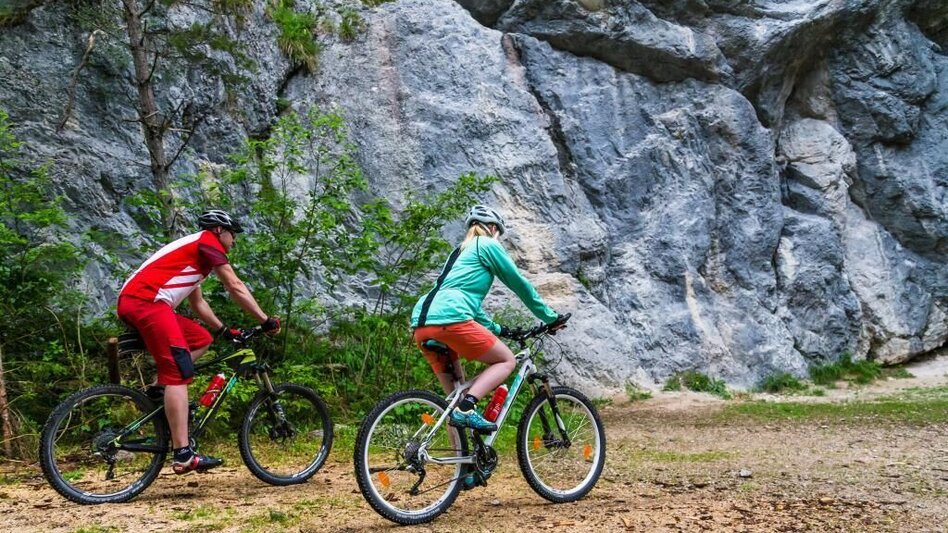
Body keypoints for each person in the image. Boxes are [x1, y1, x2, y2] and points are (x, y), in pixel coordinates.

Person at [117, 209, 281, 474]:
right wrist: (265, 321)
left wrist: (224, 330)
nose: (234, 240)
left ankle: (160, 392)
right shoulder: (207, 242)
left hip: (140, 302)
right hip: (147, 302)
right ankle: (183, 454)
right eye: (232, 234)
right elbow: (235, 285)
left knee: (200, 339)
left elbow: (198, 303)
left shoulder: (196, 254)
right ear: (219, 230)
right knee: (178, 373)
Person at [411, 204, 567, 433]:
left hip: (422, 324)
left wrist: (499, 329)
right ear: (493, 228)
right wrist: (550, 317)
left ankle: (463, 465)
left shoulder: (459, 252)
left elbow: (464, 301)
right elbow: (518, 283)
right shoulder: (487, 244)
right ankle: (468, 408)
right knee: (506, 361)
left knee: (454, 399)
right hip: (450, 320)